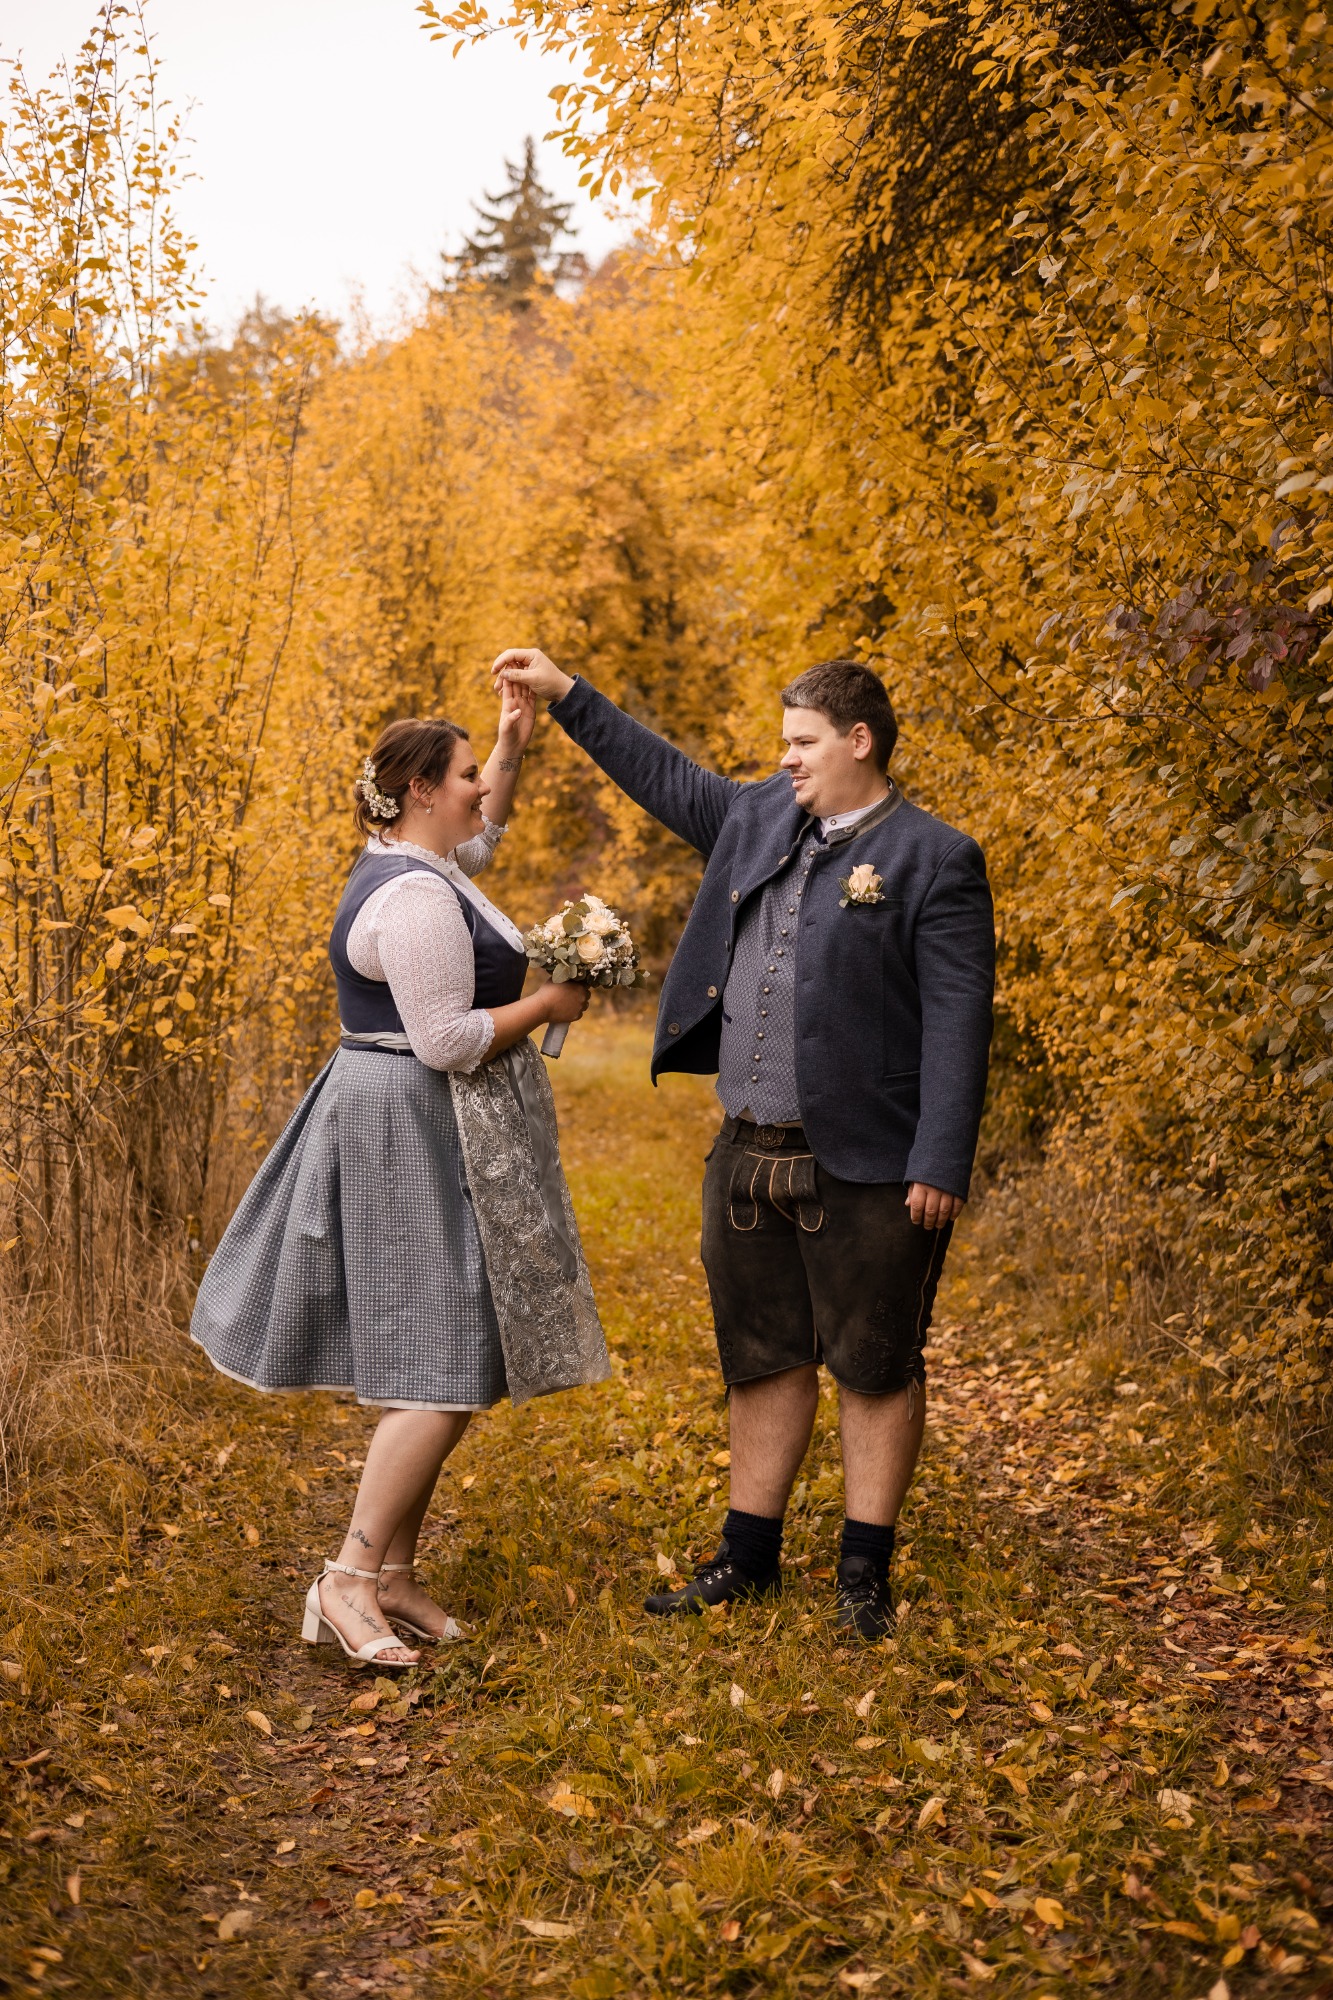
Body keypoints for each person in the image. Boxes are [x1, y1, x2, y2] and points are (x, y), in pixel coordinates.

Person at [493, 649, 994, 1641]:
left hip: (871, 1159)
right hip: (746, 1148)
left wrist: (940, 1158)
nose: (786, 759)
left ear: (859, 740)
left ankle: (863, 1575)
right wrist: (566, 696)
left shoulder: (934, 858)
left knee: (875, 1361)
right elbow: (661, 774)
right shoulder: (759, 815)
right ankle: (748, 1558)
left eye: (802, 742)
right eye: (782, 743)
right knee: (760, 1355)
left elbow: (957, 1018)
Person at [191, 682, 608, 1668]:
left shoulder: (420, 861)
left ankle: (394, 1575)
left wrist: (509, 742)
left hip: (411, 1117)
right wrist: (549, 1003)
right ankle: (346, 1577)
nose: (480, 791)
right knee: (444, 1362)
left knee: (442, 1349)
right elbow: (446, 1039)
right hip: (406, 1122)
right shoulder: (416, 898)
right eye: (465, 776)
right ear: (421, 790)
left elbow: (482, 840)